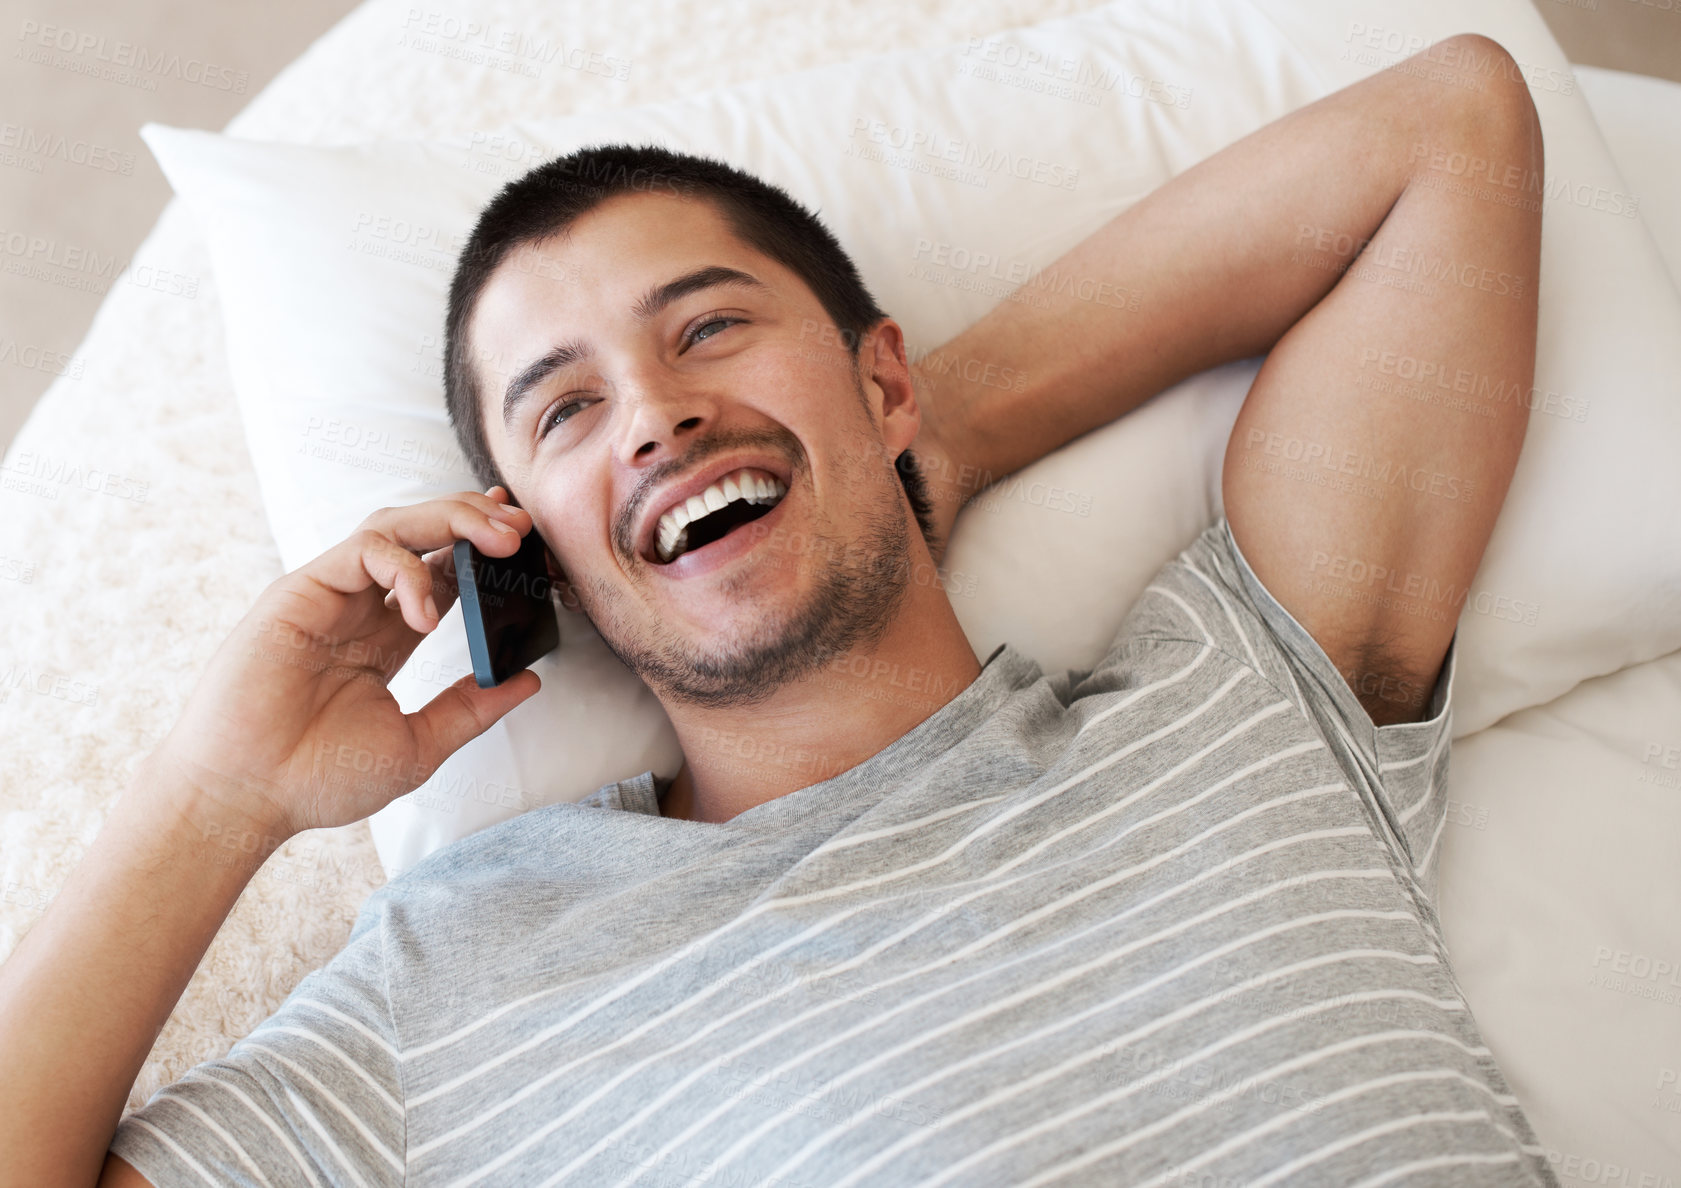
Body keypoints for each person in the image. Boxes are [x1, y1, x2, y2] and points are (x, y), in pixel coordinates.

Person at [0, 30, 1556, 1186]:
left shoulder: (1246, 706)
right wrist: (215, 796)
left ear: (876, 372)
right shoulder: (470, 975)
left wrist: (931, 434)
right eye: (562, 414)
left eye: (711, 331)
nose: (655, 417)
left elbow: (1450, 130)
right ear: (522, 548)